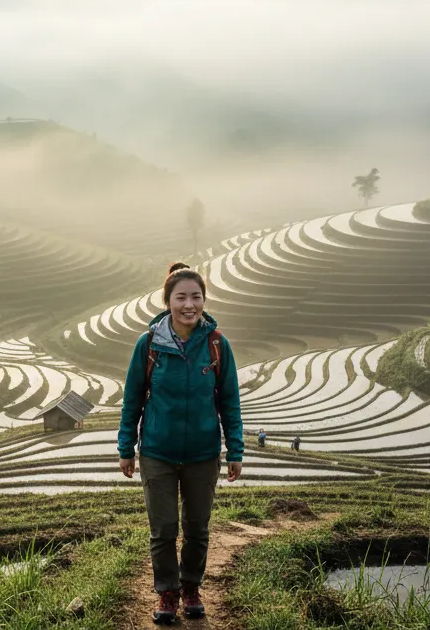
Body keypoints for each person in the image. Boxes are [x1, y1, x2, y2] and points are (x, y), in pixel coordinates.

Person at [118, 262, 244, 625]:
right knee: (163, 529)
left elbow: (229, 401)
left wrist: (234, 449)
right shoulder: (149, 345)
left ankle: (191, 587)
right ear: (167, 301)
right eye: (181, 297)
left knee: (197, 528)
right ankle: (167, 593)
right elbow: (133, 399)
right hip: (157, 451)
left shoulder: (217, 345)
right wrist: (126, 447)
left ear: (204, 300)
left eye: (196, 297)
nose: (189, 304)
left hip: (203, 453)